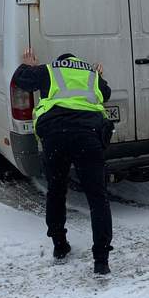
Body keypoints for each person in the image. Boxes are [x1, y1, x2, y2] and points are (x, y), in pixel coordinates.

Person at [12, 48, 113, 275]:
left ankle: (59, 245)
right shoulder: (91, 74)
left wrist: (28, 65)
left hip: (55, 137)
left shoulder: (49, 70)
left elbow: (21, 80)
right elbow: (105, 94)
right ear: (77, 61)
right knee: (98, 197)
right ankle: (101, 260)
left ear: (61, 62)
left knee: (56, 191)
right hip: (88, 136)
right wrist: (99, 75)